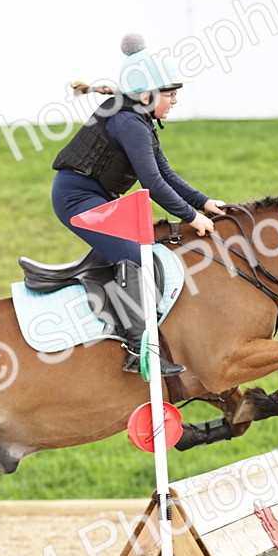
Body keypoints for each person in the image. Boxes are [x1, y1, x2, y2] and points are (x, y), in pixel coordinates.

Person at [51, 33, 227, 375]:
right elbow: (153, 185)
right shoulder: (129, 122)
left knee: (141, 252)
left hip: (95, 196)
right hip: (77, 200)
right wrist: (191, 217)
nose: (175, 100)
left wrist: (205, 203)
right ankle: (136, 350)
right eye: (170, 93)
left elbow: (167, 175)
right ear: (147, 94)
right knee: (138, 260)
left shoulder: (139, 119)